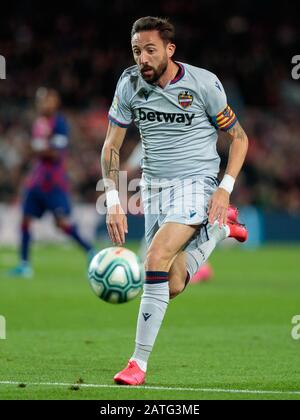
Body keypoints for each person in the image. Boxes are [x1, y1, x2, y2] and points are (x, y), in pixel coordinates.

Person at [101, 16, 248, 385]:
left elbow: (240, 139)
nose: (142, 59)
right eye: (137, 51)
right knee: (172, 282)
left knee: (152, 257)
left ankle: (137, 364)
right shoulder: (129, 83)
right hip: (153, 190)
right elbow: (111, 147)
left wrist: (224, 187)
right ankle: (219, 230)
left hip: (196, 184)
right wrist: (114, 200)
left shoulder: (203, 84)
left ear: (169, 50)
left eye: (150, 50)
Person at [9, 87, 94, 278]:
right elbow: (35, 151)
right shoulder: (38, 123)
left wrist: (37, 148)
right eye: (40, 101)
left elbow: (55, 154)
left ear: (55, 103)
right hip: (36, 180)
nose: (42, 104)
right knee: (25, 219)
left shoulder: (60, 123)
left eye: (46, 100)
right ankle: (24, 265)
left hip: (54, 182)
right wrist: (37, 149)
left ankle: (90, 250)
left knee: (61, 223)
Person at [123, 141, 214, 283]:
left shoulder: (149, 142)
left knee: (165, 236)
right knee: (164, 236)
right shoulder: (175, 139)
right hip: (170, 193)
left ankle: (197, 265)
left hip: (172, 195)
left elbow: (127, 169)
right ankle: (199, 265)